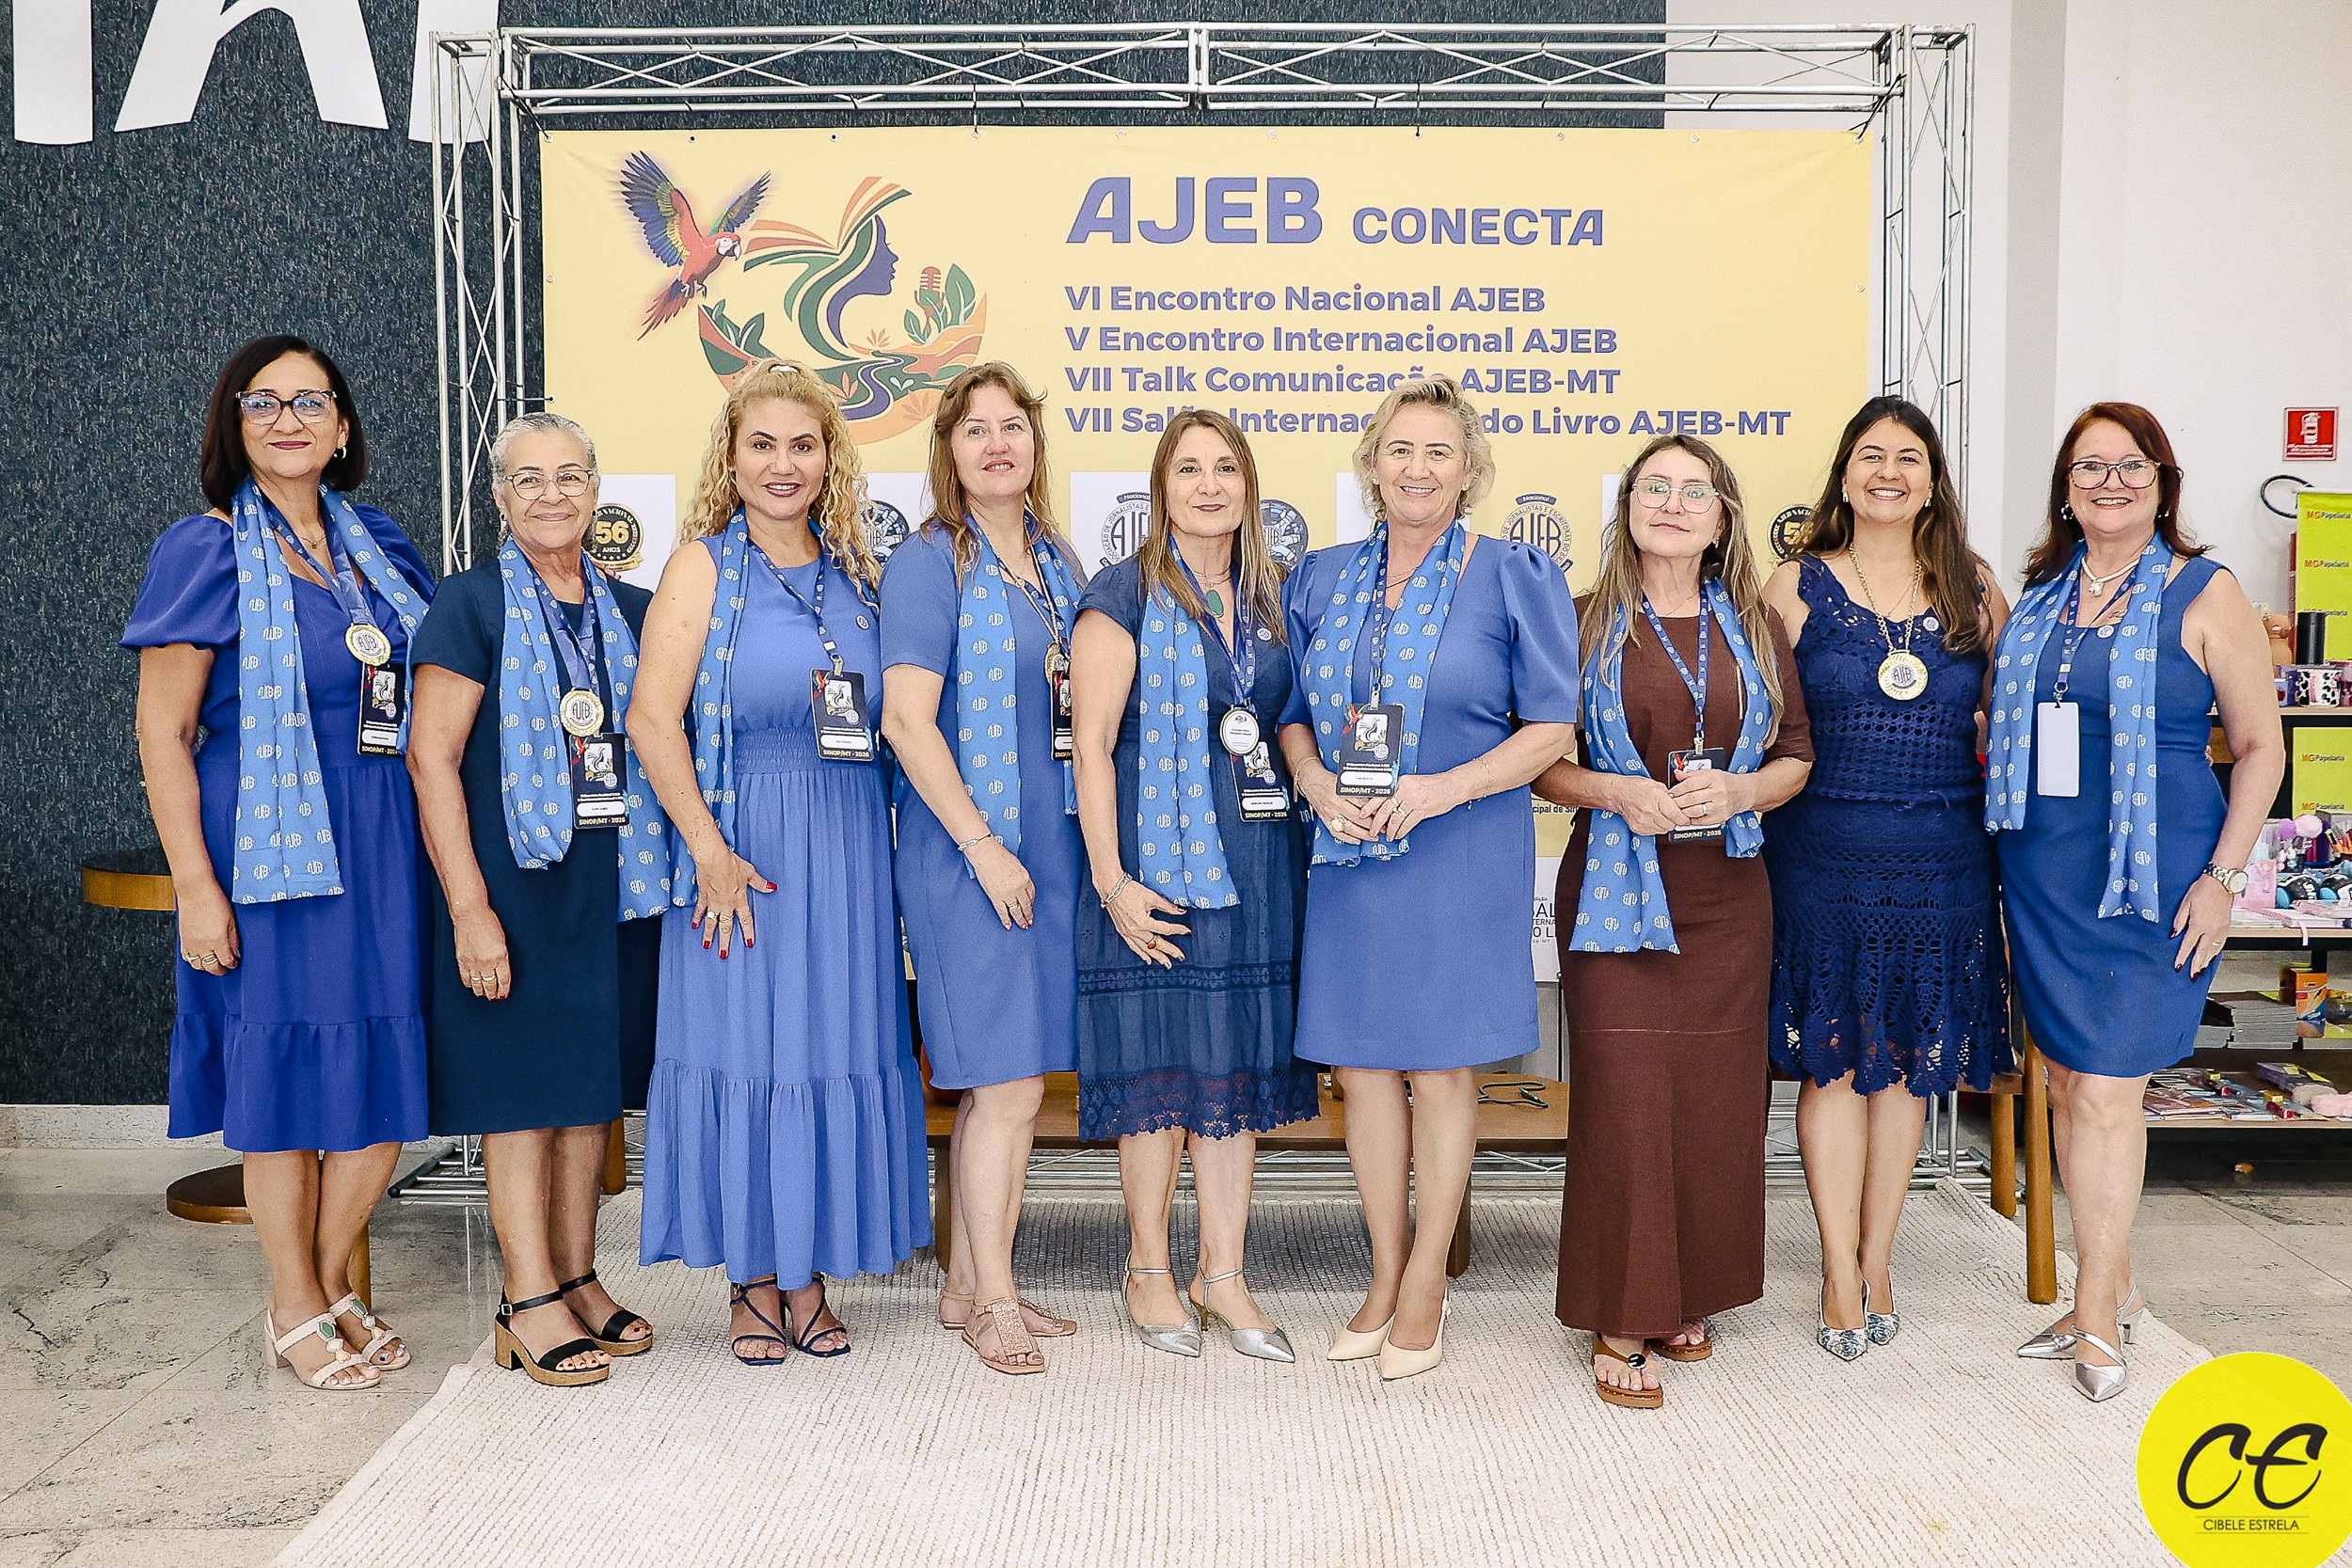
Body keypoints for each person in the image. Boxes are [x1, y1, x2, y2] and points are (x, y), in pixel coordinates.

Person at [124, 335, 434, 1391]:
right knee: (285, 1080)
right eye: (265, 402)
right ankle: (293, 1296)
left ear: (342, 426)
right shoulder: (203, 550)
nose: (289, 418)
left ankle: (330, 1281)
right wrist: (196, 887)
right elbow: (164, 731)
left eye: (311, 400)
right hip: (266, 847)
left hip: (385, 838)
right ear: (235, 425)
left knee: (386, 1073)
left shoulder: (377, 544)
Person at [628, 360, 932, 1367]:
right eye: (762, 444)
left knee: (831, 1047)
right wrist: (708, 849)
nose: (783, 463)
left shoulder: (860, 574)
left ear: (830, 460)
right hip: (742, 851)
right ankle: (754, 1278)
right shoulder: (701, 568)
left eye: (803, 445)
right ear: (731, 456)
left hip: (847, 850)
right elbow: (650, 719)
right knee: (751, 1052)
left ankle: (811, 1272)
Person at [1276, 376, 1581, 1381]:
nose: (1417, 468)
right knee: (1364, 1069)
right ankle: (1383, 1270)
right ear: (1371, 465)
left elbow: (1551, 727)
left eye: (1439, 452)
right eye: (1400, 449)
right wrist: (1317, 782)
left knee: (1443, 1070)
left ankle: (1425, 1285)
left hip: (1460, 848)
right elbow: (1291, 716)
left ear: (1470, 471)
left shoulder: (1515, 574)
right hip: (1349, 851)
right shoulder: (1320, 577)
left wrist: (1441, 788)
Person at [1991, 403, 2282, 1401]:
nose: (2108, 482)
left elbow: (2261, 747)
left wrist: (2223, 878)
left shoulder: (2206, 590)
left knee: (2111, 1089)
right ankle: (2115, 1287)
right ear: (2065, 488)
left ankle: (2096, 1305)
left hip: (2156, 880)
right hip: (2044, 873)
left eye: (2130, 466)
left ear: (2162, 483)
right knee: (2071, 1084)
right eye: (2088, 467)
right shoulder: (2041, 597)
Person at [1537, 434, 1813, 1410]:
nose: (1672, 502)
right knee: (1625, 1098)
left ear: (1723, 517)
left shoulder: (1754, 625)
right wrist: (1617, 791)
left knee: (1714, 1101)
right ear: (1626, 510)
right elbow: (1540, 762)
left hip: (1727, 895)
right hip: (1616, 889)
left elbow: (1795, 754)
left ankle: (1688, 1289)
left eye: (1695, 491)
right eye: (1653, 486)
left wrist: (1740, 789)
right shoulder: (1579, 620)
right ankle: (1623, 1309)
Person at [408, 412, 665, 1388]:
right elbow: (430, 759)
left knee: (587, 1093)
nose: (551, 494)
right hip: (511, 887)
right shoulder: (469, 604)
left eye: (569, 476)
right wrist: (469, 907)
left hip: (613, 884)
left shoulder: (632, 607)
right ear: (499, 497)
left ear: (596, 491)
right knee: (521, 1097)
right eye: (528, 478)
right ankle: (526, 1299)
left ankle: (578, 1276)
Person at [1759, 397, 2014, 1361]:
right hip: (1820, 855)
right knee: (1831, 1060)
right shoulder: (1795, 584)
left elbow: (2014, 716)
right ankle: (1835, 1267)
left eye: (1909, 457)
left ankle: (1880, 1258)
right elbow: (1755, 716)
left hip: (1943, 860)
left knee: (1907, 1063)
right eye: (1871, 455)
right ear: (1843, 475)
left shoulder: (1973, 586)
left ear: (1932, 482)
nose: (1888, 473)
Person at [1068, 410, 1319, 1363]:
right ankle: (1147, 1267)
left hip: (1255, 860)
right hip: (1150, 866)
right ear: (1160, 487)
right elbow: (1092, 746)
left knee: (1230, 1068)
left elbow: (1291, 720)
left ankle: (1223, 1272)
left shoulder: (1274, 596)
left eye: (1225, 468)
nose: (1208, 485)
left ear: (1248, 484)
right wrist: (1112, 882)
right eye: (1188, 469)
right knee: (1157, 1073)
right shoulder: (1120, 593)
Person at [879, 363, 1088, 1376]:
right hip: (971, 854)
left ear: (1035, 443)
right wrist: (982, 845)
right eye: (976, 430)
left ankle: (969, 1282)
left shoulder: (1057, 560)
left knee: (1012, 1085)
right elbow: (906, 722)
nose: (998, 444)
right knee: (1003, 1083)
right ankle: (993, 1297)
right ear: (948, 451)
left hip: (1052, 850)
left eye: (1013, 426)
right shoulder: (928, 562)